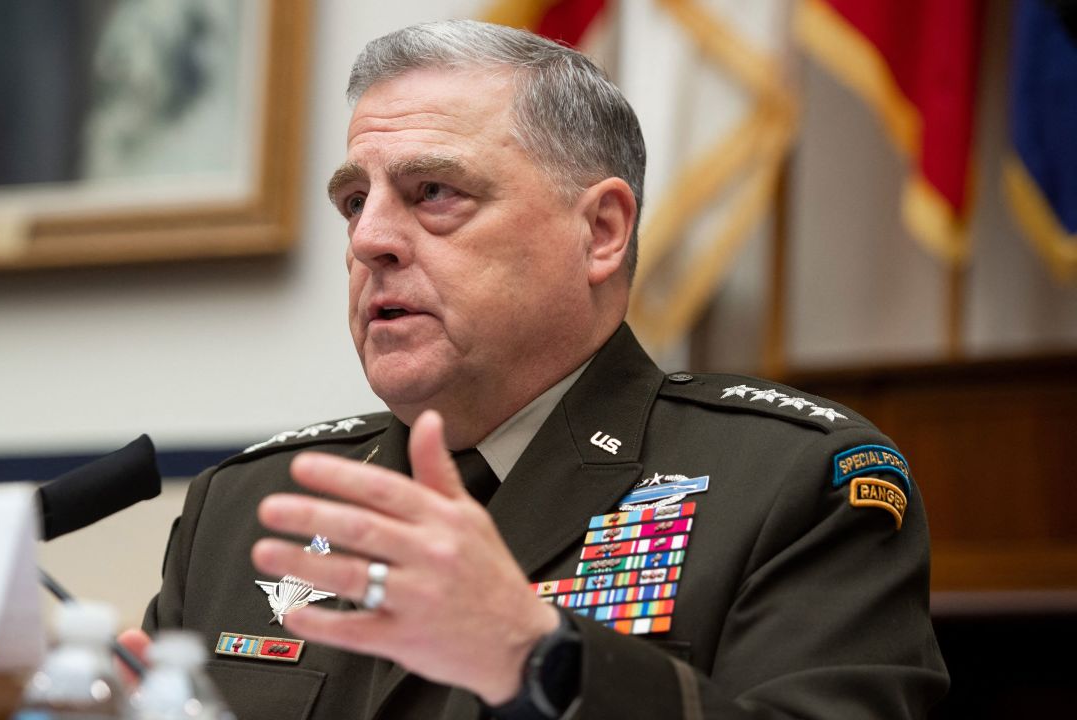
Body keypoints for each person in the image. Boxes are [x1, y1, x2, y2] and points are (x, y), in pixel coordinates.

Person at [125, 20, 949, 719]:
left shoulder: (791, 485)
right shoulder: (247, 510)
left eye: (434, 191)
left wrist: (541, 657)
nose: (369, 238)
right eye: (353, 201)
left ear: (601, 232)